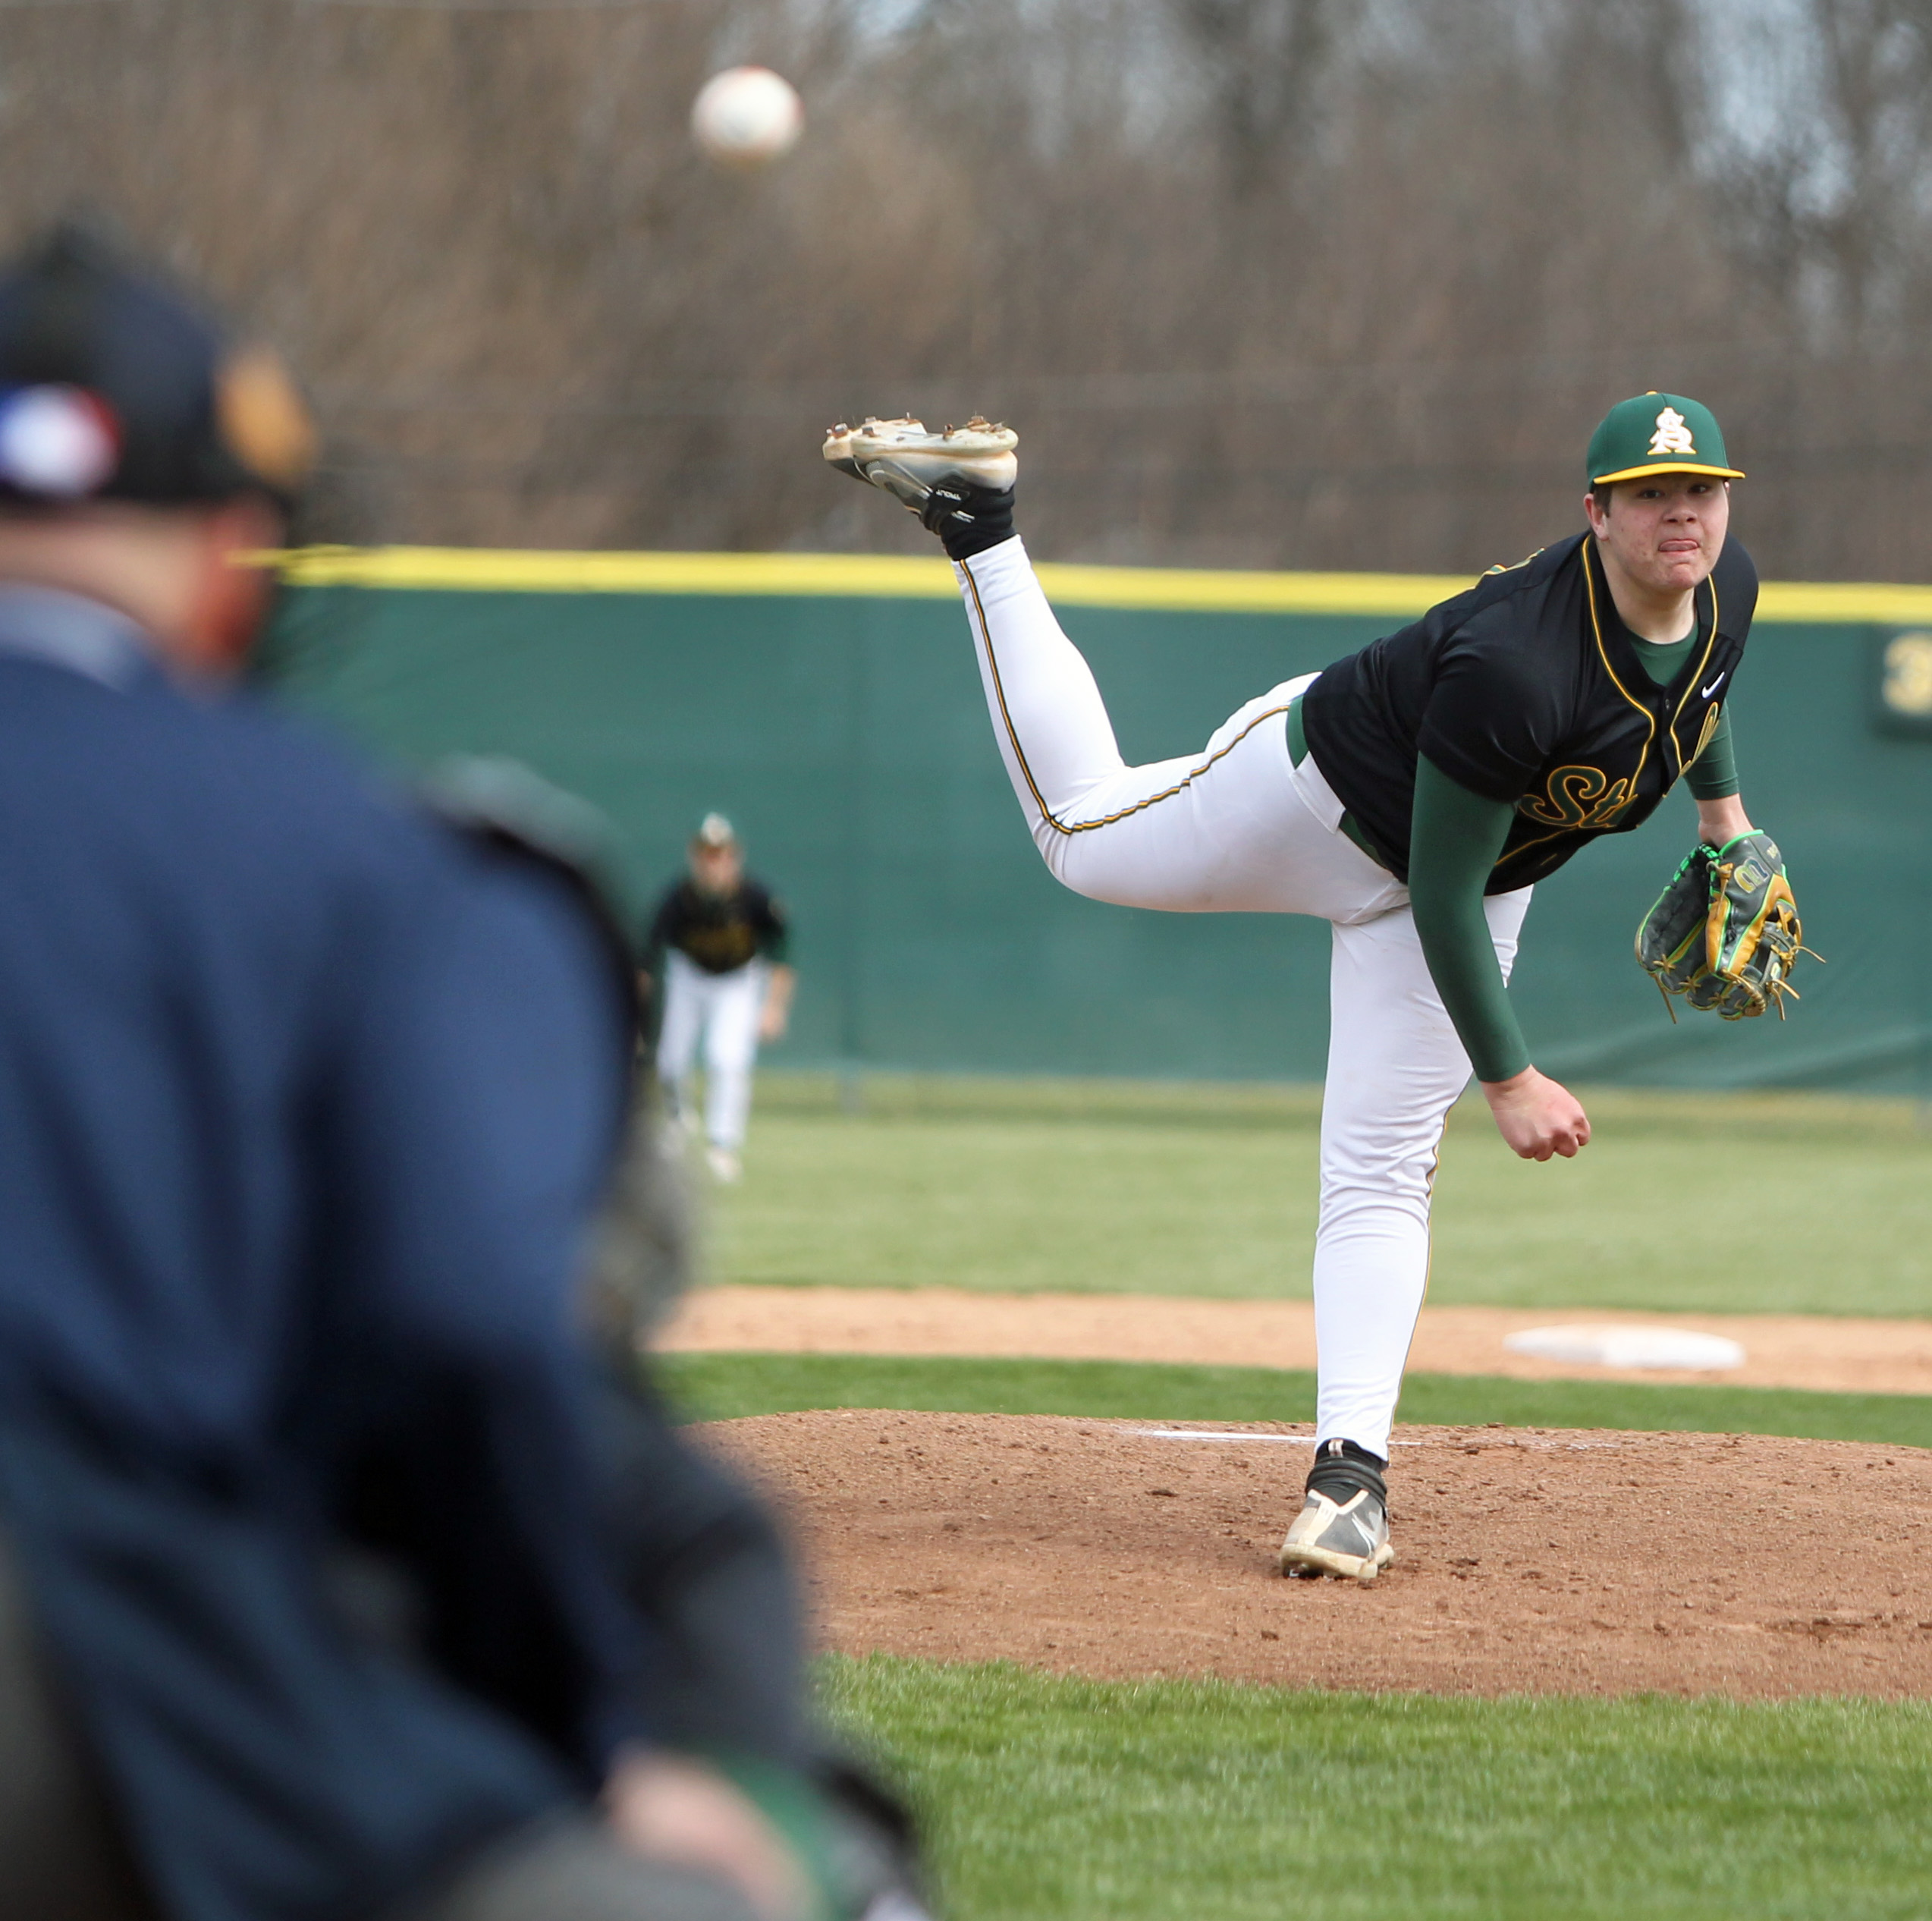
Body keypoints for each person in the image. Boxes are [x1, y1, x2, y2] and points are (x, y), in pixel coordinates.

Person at [0, 223, 922, 1921]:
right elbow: (468, 1328)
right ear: (231, 557)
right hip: (104, 1690)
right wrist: (568, 1747)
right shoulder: (358, 862)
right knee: (801, 1882)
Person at [826, 393, 1782, 1582]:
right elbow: (1434, 893)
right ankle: (982, 526)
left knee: (1381, 1171)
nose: (1680, 515)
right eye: (1648, 495)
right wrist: (1509, 1076)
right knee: (1077, 832)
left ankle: (1348, 1482)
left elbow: (1700, 688)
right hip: (1306, 804)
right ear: (1595, 515)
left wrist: (1722, 818)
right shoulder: (1516, 666)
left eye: (1699, 491)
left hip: (1479, 882)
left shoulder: (1724, 580)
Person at [642, 816, 795, 1184]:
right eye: (706, 854)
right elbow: (646, 960)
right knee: (669, 1058)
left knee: (727, 1060)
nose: (713, 862)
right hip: (689, 976)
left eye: (720, 854)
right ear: (695, 858)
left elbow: (783, 956)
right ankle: (678, 1120)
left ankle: (722, 1145)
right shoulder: (678, 899)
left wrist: (774, 1007)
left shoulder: (756, 899)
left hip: (738, 981)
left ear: (734, 857)